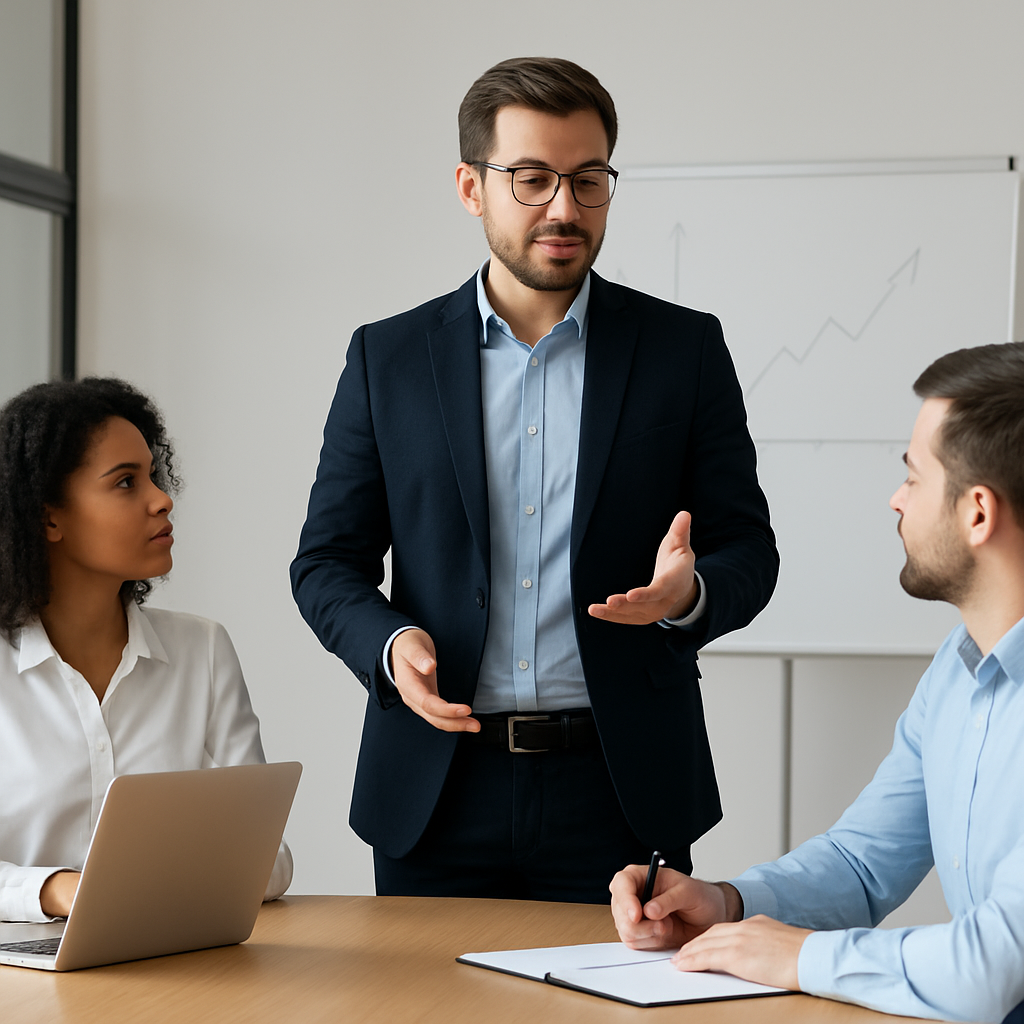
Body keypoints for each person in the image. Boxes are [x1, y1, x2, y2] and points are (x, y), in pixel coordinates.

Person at [291, 56, 778, 903]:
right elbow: (326, 564)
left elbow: (750, 550)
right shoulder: (388, 358)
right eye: (532, 178)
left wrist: (690, 593)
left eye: (589, 180)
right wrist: (389, 643)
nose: (564, 207)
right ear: (471, 188)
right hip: (437, 792)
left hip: (622, 789)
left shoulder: (683, 351)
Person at [610, 341, 1024, 1023]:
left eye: (914, 477)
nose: (896, 499)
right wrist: (724, 905)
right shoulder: (959, 668)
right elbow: (864, 865)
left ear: (976, 512)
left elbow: (991, 970)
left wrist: (801, 957)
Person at [0, 377, 292, 923]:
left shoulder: (202, 649)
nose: (163, 499)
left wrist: (136, 889)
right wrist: (58, 890)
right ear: (48, 517)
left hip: (168, 963)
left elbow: (269, 859)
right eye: (126, 483)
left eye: (154, 476)